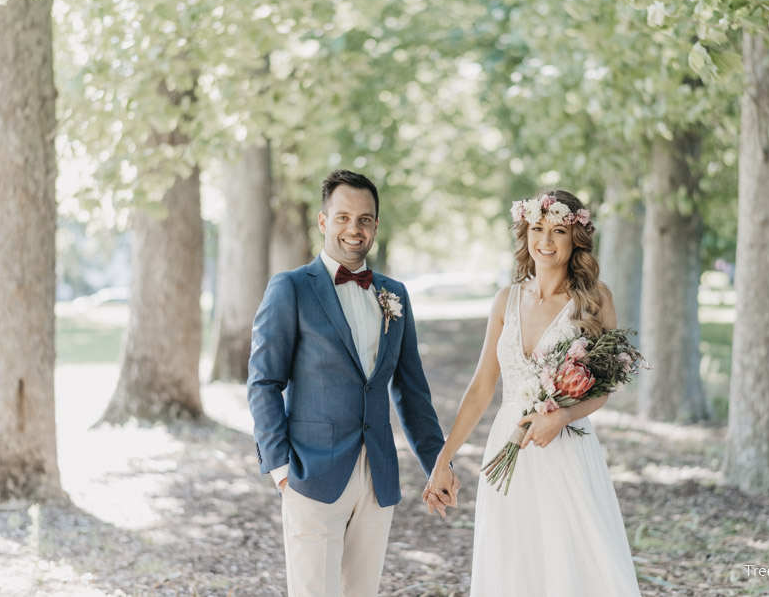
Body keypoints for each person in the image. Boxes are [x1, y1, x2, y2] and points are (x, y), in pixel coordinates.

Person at [248, 169, 460, 597]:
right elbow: (263, 381)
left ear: (376, 226)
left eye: (364, 219)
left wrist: (439, 464)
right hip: (310, 473)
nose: (354, 228)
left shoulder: (393, 294)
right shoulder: (290, 288)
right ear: (324, 221)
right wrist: (282, 470)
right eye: (343, 217)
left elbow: (412, 391)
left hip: (376, 476)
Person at [423, 189, 642, 596]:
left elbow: (603, 388)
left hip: (565, 448)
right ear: (524, 233)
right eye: (537, 229)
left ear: (575, 237)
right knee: (512, 563)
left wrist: (561, 416)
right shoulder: (505, 300)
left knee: (571, 562)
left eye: (558, 230)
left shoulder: (594, 300)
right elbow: (480, 388)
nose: (545, 240)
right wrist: (444, 458)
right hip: (507, 445)